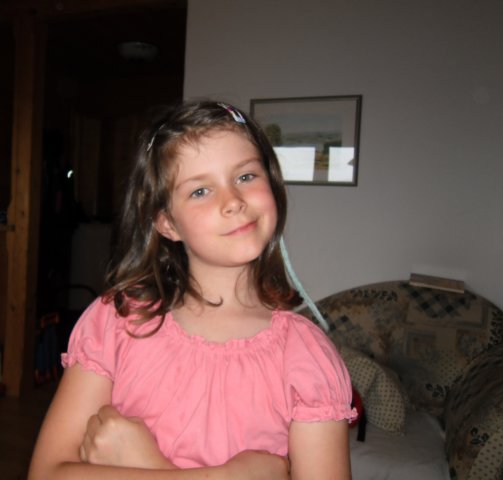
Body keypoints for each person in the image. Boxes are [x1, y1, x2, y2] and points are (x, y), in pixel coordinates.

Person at [28, 100, 357, 480]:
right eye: (200, 191)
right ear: (167, 223)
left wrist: (148, 465)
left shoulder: (306, 357)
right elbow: (46, 473)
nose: (233, 201)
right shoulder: (119, 322)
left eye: (246, 176)